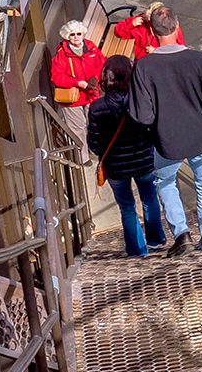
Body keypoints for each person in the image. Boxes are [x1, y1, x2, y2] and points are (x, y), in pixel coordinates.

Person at [126, 3, 202, 255]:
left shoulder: (143, 67)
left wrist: (154, 129)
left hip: (166, 142)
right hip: (201, 138)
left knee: (165, 183)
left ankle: (181, 232)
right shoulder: (200, 61)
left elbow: (141, 115)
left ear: (152, 33)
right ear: (177, 26)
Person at [83, 55, 164, 256]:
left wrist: (102, 153)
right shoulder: (142, 100)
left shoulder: (97, 107)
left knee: (127, 207)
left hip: (116, 166)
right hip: (144, 160)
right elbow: (153, 128)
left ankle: (137, 250)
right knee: (150, 199)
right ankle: (155, 240)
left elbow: (93, 142)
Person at [47, 17, 103, 158]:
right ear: (67, 36)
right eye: (72, 34)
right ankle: (82, 158)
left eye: (79, 34)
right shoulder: (61, 55)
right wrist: (76, 82)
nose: (76, 37)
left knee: (96, 124)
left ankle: (98, 151)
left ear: (83, 34)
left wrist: (95, 78)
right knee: (77, 129)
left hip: (90, 93)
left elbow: (102, 64)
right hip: (72, 98)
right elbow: (56, 77)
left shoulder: (92, 48)